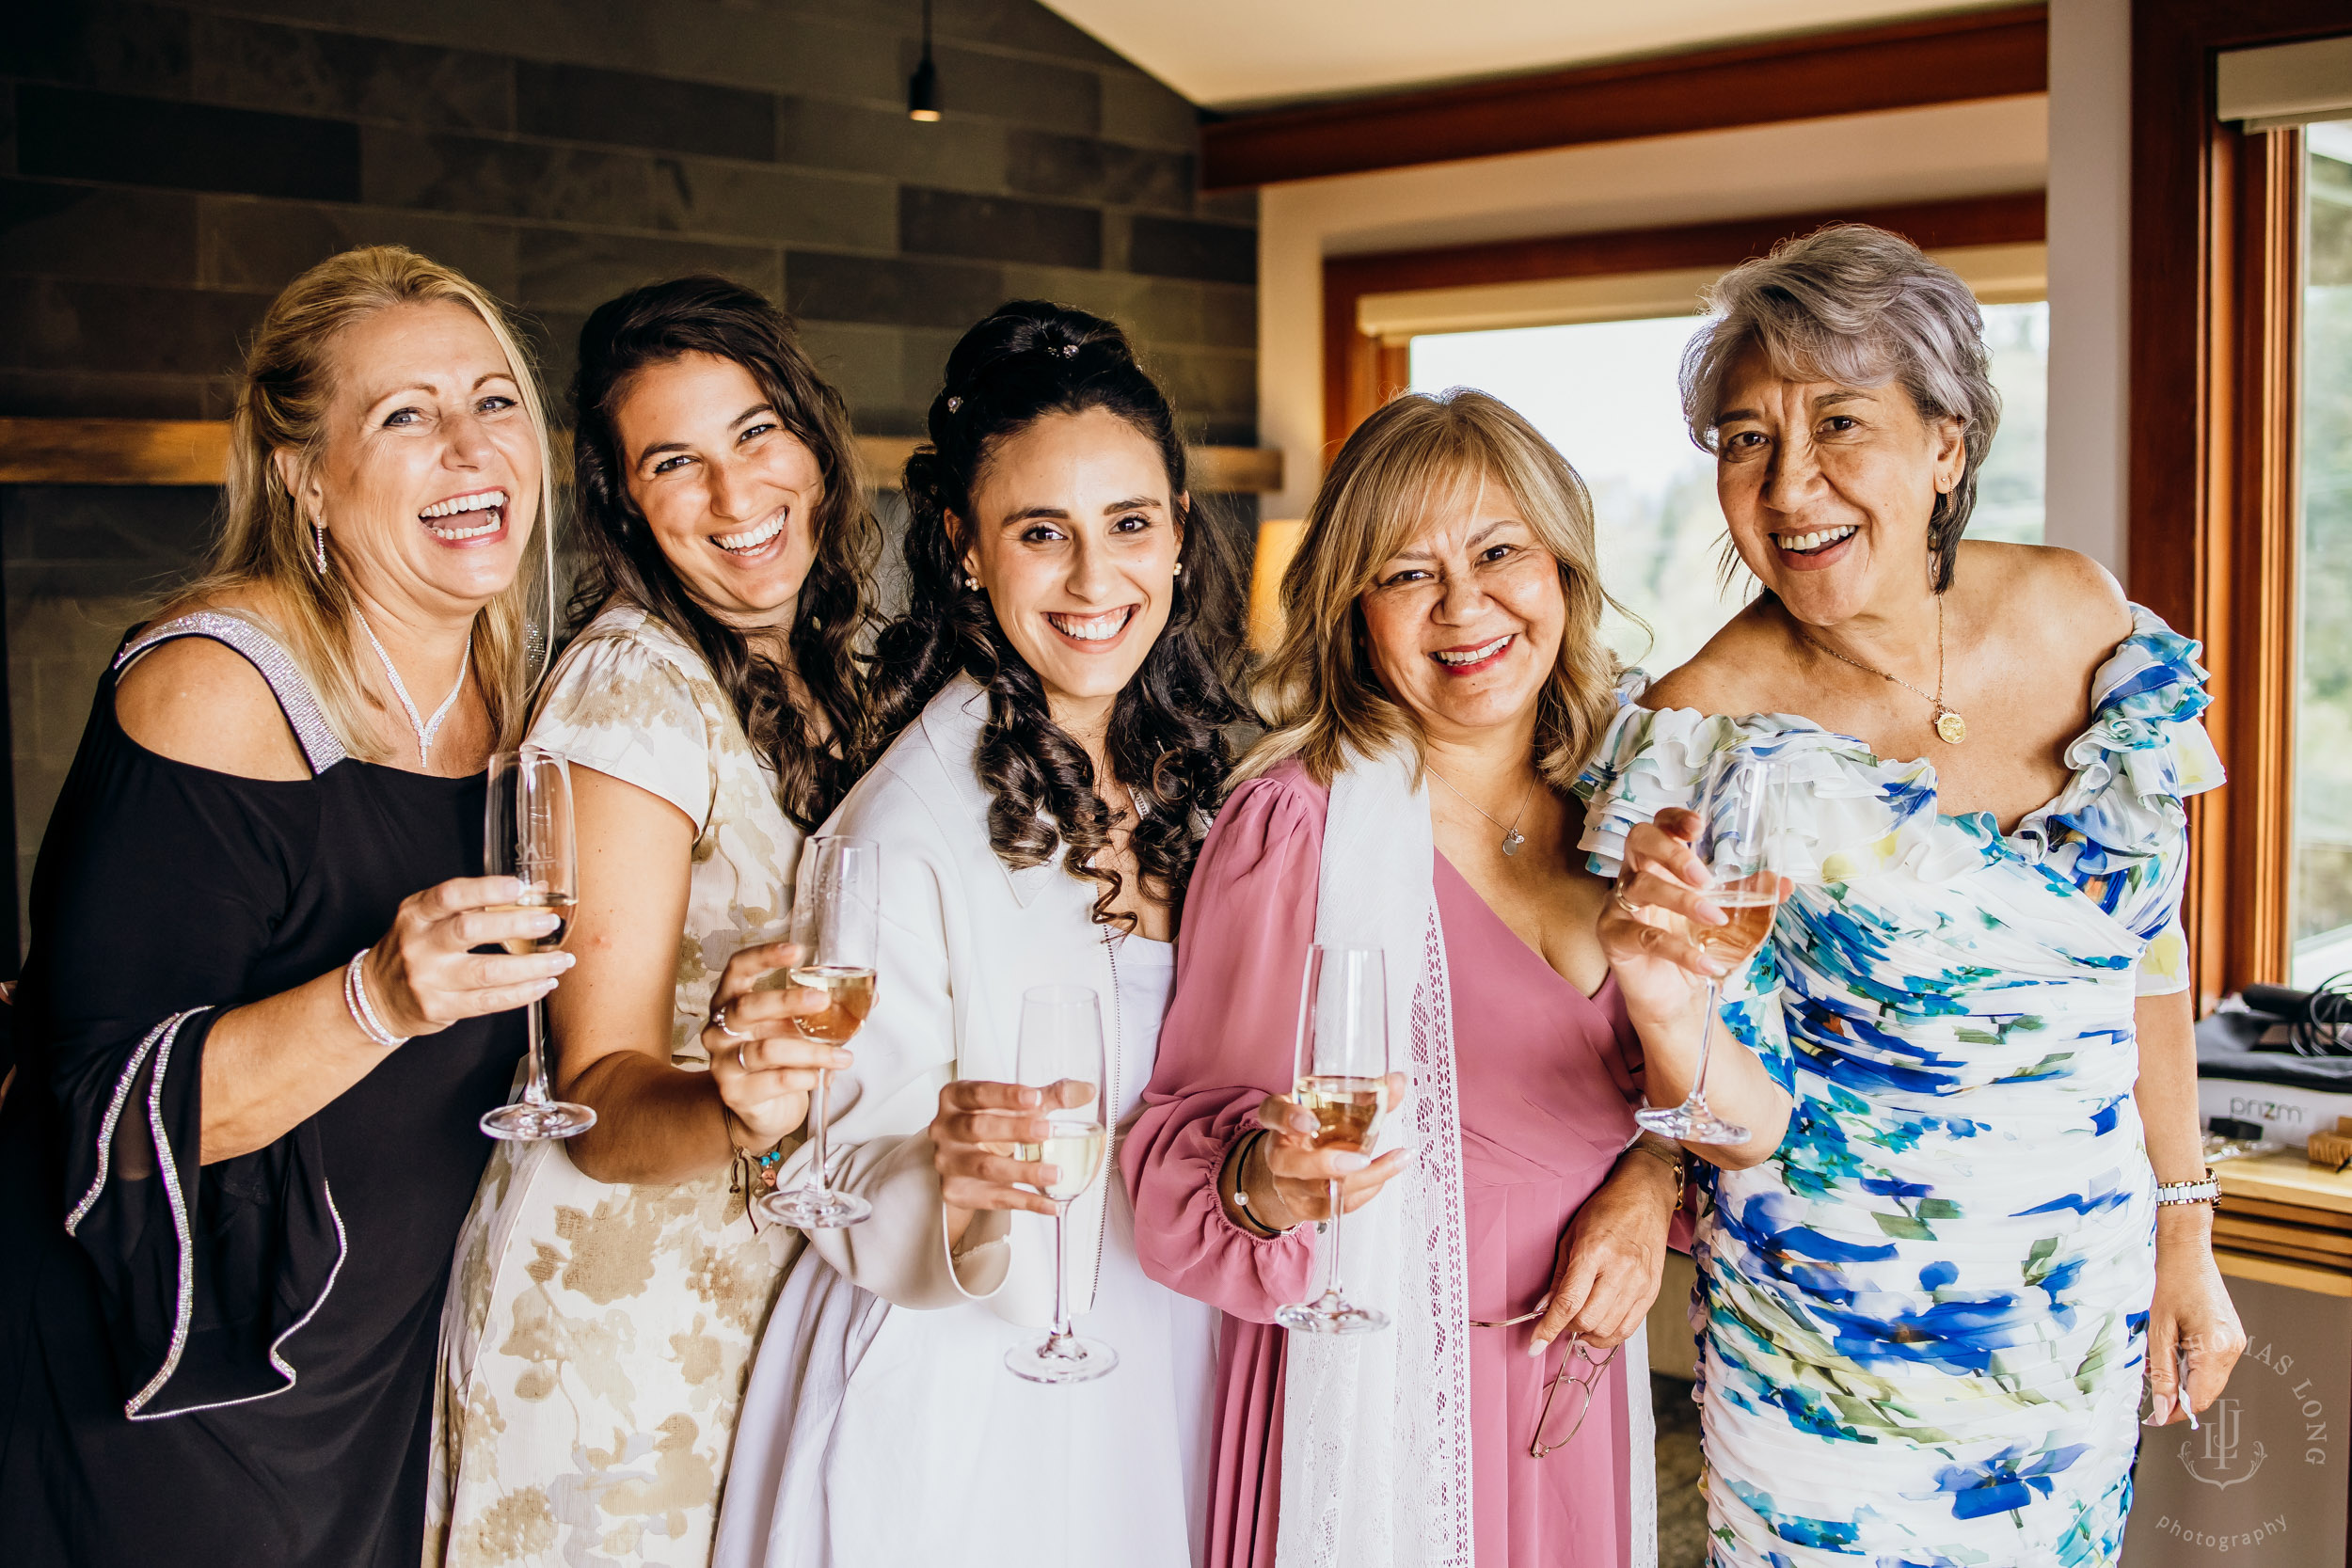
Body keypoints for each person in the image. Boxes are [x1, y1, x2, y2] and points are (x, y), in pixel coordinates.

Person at [1581, 223, 2247, 1566]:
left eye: (1840, 422)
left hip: (2076, 1305)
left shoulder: (2079, 614)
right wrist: (1654, 1143)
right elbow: (1704, 1083)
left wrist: (2189, 1228)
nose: (1790, 482)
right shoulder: (1701, 728)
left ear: (1947, 442)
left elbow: (2149, 950)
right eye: (1746, 439)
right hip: (1831, 1338)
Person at [1123, 388, 1791, 1568]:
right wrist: (1270, 1179)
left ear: (1564, 575)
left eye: (1497, 553)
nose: (1463, 605)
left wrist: (1646, 1169)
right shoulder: (1297, 827)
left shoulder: (1626, 812)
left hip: (1567, 1410)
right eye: (1405, 571)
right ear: (1351, 613)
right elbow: (1180, 1153)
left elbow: (1721, 1109)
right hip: (1372, 1407)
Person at [0, 245, 569, 1568]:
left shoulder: (519, 691)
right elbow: (102, 1106)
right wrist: (379, 994)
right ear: (305, 474)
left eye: (492, 401)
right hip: (171, 1380)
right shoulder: (216, 686)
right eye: (405, 416)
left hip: (373, 1373)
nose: (470, 447)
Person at [710, 301, 1246, 1568]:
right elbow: (836, 1171)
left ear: (1178, 527)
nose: (1093, 577)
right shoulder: (898, 822)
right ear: (963, 547)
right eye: (1039, 533)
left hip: (1170, 1331)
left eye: (1128, 523)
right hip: (972, 1383)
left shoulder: (1205, 778)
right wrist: (942, 1169)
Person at [430, 277, 880, 1568]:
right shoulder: (632, 690)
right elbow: (596, 1091)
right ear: (625, 498)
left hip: (766, 1286)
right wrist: (739, 1108)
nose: (736, 496)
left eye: (756, 433)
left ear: (813, 437)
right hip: (624, 1324)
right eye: (675, 461)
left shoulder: (828, 672)